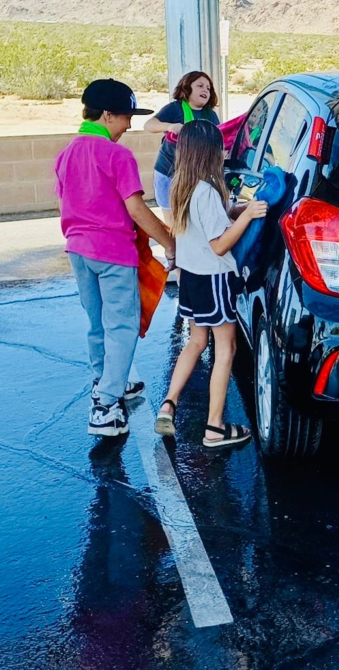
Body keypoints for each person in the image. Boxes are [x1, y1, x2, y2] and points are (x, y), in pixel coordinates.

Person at [54, 78, 176, 438]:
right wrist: (169, 242)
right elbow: (136, 209)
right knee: (121, 326)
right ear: (107, 114)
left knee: (97, 323)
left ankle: (105, 383)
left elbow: (67, 202)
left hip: (78, 251)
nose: (128, 125)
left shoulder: (66, 153)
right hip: (114, 254)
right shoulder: (116, 154)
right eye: (125, 117)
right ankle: (106, 407)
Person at [154, 120, 268, 448]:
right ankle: (215, 427)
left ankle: (169, 404)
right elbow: (219, 244)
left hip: (190, 277)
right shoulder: (206, 190)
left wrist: (242, 208)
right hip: (214, 278)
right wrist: (246, 218)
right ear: (209, 152)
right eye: (221, 147)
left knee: (195, 342)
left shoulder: (183, 184)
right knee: (226, 348)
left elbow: (216, 215)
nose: (225, 152)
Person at [144, 71, 220, 228]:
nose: (205, 90)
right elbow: (149, 125)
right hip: (169, 173)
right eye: (199, 86)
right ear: (187, 88)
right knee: (174, 225)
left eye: (208, 87)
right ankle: (175, 251)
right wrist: (170, 126)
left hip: (197, 176)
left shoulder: (210, 115)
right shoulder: (175, 109)